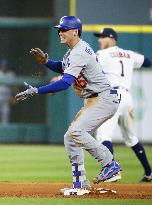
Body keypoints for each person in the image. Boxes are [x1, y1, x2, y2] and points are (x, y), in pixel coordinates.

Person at [15, 16, 121, 194]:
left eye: (64, 29)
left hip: (103, 98)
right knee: (70, 138)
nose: (60, 32)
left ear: (75, 32)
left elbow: (65, 82)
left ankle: (110, 164)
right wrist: (46, 62)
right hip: (95, 99)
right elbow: (63, 67)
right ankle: (80, 184)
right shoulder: (73, 51)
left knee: (77, 132)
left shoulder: (78, 51)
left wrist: (37, 91)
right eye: (59, 29)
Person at [93, 28, 152, 182]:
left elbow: (86, 67)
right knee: (131, 138)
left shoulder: (102, 54)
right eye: (99, 37)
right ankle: (149, 173)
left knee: (103, 135)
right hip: (127, 98)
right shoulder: (129, 54)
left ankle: (111, 171)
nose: (100, 40)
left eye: (103, 37)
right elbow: (147, 62)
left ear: (112, 38)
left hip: (113, 96)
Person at [0, 58, 15, 123]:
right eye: (3, 65)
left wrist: (15, 96)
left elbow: (14, 87)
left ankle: (5, 130)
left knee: (6, 113)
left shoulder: (11, 74)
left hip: (7, 97)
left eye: (5, 65)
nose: (4, 66)